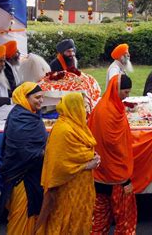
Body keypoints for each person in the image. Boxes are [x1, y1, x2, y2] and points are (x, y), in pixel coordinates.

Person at [35, 93, 100, 234]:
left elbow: (83, 148)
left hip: (80, 188)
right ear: (73, 107)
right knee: (67, 224)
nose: (86, 110)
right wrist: (87, 164)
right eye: (83, 106)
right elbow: (60, 165)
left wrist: (92, 155)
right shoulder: (63, 130)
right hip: (68, 190)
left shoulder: (76, 123)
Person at [89, 74, 137, 234]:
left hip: (99, 173)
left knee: (100, 217)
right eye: (125, 92)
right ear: (116, 90)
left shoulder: (104, 106)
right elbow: (114, 145)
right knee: (124, 217)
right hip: (117, 175)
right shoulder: (108, 112)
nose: (127, 96)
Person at [0, 82, 47, 234]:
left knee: (32, 216)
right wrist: (48, 153)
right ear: (24, 98)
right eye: (37, 97)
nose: (41, 101)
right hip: (21, 176)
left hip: (32, 175)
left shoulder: (29, 114)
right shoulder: (20, 118)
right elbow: (23, 151)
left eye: (42, 97)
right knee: (21, 219)